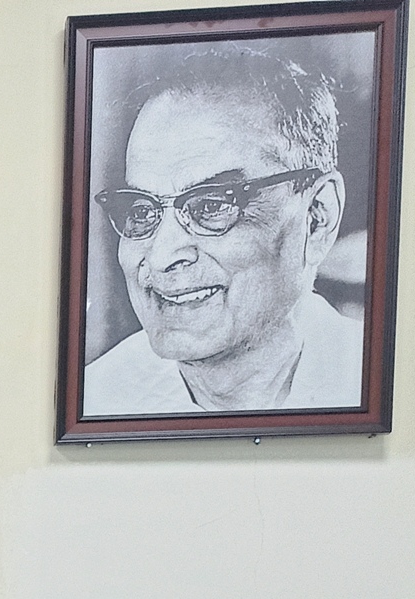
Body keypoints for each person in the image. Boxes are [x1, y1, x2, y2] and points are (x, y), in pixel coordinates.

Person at [82, 45, 364, 416]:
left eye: (212, 205)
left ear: (317, 217)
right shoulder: (99, 401)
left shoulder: (372, 382)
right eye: (141, 211)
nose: (162, 255)